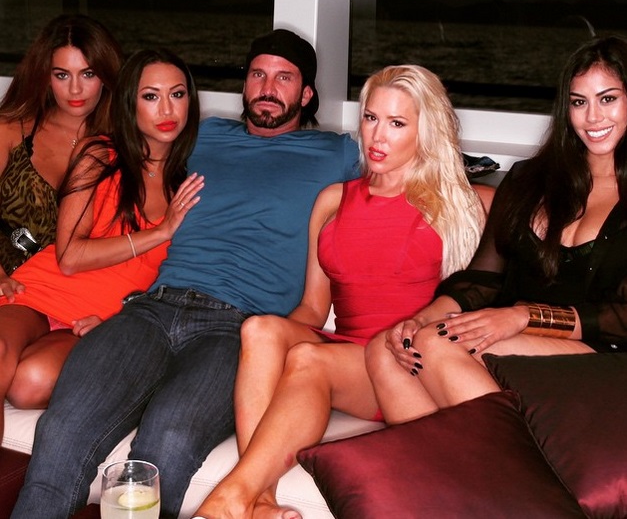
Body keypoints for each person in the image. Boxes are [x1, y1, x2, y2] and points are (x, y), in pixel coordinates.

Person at [12, 28, 361, 519]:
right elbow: (125, 139)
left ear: (305, 95)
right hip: (151, 309)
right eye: (257, 74)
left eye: (284, 78)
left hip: (236, 328)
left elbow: (420, 171)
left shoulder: (336, 153)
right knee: (63, 429)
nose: (267, 87)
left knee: (168, 439)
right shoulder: (201, 137)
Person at [193, 64, 485, 519]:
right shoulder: (334, 199)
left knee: (309, 360)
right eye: (371, 118)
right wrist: (268, 345)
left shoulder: (460, 205)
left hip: (400, 363)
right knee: (259, 330)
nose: (377, 136)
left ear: (425, 131)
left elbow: (482, 292)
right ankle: (261, 501)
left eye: (397, 123)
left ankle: (229, 500)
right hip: (345, 352)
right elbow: (313, 307)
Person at [365, 35, 627, 428]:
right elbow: (484, 279)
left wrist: (525, 316)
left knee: (436, 346)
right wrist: (420, 319)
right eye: (579, 102)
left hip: (602, 355)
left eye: (608, 99)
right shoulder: (528, 179)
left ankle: (509, 461)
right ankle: (468, 464)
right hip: (518, 339)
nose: (593, 117)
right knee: (386, 350)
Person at [0, 48, 202, 440]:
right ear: (129, 103)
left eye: (177, 94)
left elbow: (183, 282)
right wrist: (160, 232)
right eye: (151, 96)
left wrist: (123, 318)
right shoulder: (100, 154)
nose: (166, 109)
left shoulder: (192, 183)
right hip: (41, 291)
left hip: (99, 319)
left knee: (29, 385)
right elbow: (70, 257)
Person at [0, 14, 123, 289]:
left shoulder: (124, 145)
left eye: (88, 74)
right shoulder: (10, 129)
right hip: (10, 284)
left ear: (106, 76)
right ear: (45, 76)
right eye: (62, 75)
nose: (75, 89)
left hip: (76, 290)